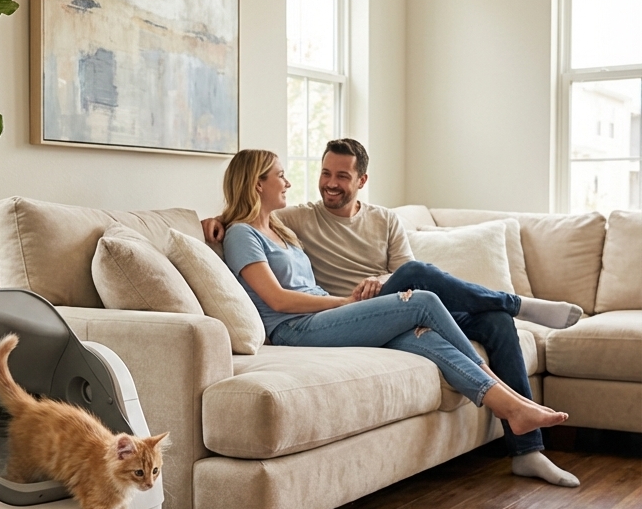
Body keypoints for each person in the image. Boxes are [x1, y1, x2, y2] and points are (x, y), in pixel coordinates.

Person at [214, 148, 571, 451]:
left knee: (423, 336)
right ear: (258, 183)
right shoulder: (242, 234)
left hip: (320, 317)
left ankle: (512, 409)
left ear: (361, 180)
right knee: (423, 301)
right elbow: (276, 300)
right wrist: (343, 303)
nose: (289, 182)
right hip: (293, 328)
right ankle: (502, 387)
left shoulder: (279, 227)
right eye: (280, 175)